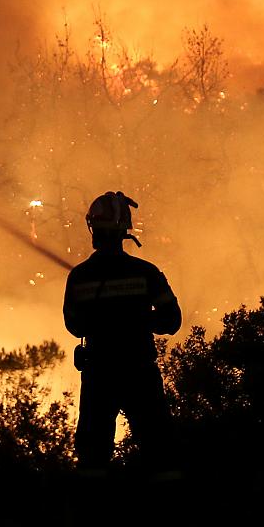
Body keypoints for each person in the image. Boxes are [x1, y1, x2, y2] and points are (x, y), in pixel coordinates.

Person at [64, 191, 182, 478]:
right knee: (159, 450)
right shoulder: (146, 273)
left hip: (99, 376)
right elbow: (172, 320)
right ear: (123, 229)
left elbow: (74, 326)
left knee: (93, 456)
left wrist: (102, 319)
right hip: (139, 372)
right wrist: (141, 319)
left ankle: (92, 518)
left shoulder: (80, 276)